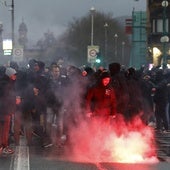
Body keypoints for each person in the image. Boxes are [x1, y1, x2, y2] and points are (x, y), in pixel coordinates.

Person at [0, 66, 17, 155]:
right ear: (9, 75)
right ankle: (4, 147)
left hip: (4, 110)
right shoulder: (6, 85)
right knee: (4, 130)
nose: (15, 77)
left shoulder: (4, 83)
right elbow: (7, 98)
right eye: (14, 75)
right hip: (5, 111)